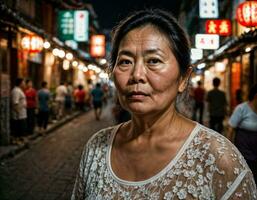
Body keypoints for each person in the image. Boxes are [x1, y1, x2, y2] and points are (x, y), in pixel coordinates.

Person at [72, 9, 256, 199]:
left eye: (153, 60)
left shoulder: (218, 159)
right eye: (125, 61)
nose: (136, 75)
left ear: (183, 78)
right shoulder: (96, 148)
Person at [228, 84, 257, 184]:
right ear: (255, 96)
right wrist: (229, 149)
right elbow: (231, 128)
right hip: (244, 148)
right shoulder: (241, 108)